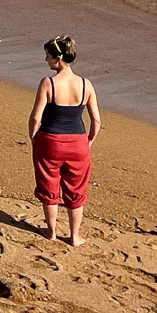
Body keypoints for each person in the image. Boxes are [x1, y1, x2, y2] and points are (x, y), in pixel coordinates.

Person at [28, 35, 100, 246]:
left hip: (50, 139)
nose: (46, 60)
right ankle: (74, 236)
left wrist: (34, 136)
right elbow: (96, 120)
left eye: (48, 56)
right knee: (76, 188)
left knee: (49, 184)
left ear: (58, 58)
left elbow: (35, 116)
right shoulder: (86, 85)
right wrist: (89, 141)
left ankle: (51, 232)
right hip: (78, 141)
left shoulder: (48, 83)